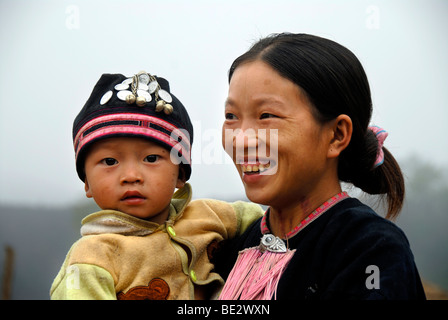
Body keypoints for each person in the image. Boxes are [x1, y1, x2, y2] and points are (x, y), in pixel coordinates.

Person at [216, 33, 426, 300]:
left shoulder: (372, 250)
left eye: (266, 116)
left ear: (337, 135)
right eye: (231, 116)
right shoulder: (232, 246)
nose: (241, 140)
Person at [50, 70, 263, 300]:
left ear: (180, 174)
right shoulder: (92, 258)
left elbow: (273, 223)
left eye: (151, 159)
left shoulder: (213, 216)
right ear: (87, 183)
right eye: (110, 161)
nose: (131, 176)